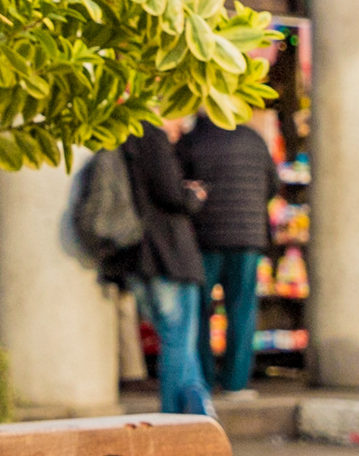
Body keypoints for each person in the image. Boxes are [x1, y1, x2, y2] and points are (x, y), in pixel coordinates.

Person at [176, 105, 282, 404]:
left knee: (200, 309)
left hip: (204, 237)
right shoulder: (253, 139)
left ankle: (204, 380)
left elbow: (178, 188)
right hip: (248, 235)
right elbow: (272, 184)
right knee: (242, 309)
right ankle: (236, 382)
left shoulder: (192, 140)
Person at [106, 118, 208, 418]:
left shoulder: (120, 138)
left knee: (175, 338)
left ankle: (196, 414)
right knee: (178, 339)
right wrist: (194, 195)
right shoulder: (150, 137)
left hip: (139, 257)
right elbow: (171, 194)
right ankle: (177, 416)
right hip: (168, 256)